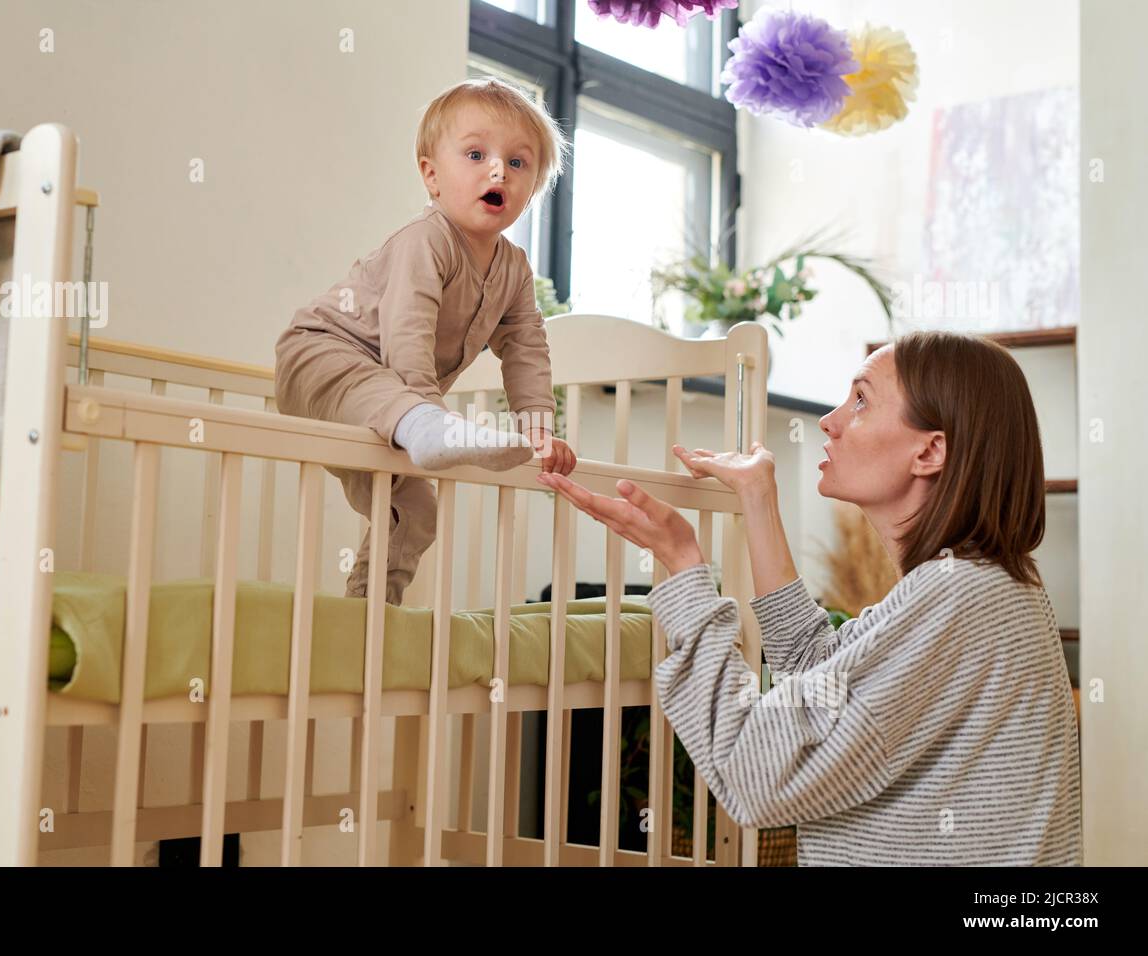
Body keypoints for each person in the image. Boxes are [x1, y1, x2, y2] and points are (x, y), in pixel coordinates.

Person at [537, 331, 1081, 865]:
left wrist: (684, 568)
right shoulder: (986, 585)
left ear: (930, 450)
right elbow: (819, 672)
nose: (830, 419)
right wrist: (757, 498)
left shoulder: (958, 596)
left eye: (862, 400)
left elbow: (754, 772)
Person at [275, 78, 577, 605]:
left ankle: (368, 619)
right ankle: (425, 426)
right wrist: (427, 409)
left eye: (518, 162)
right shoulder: (427, 240)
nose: (497, 170)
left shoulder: (515, 270)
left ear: (533, 188)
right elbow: (407, 328)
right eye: (477, 154)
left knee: (415, 511)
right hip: (323, 358)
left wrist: (538, 430)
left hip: (394, 405)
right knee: (396, 402)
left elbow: (527, 347)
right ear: (431, 176)